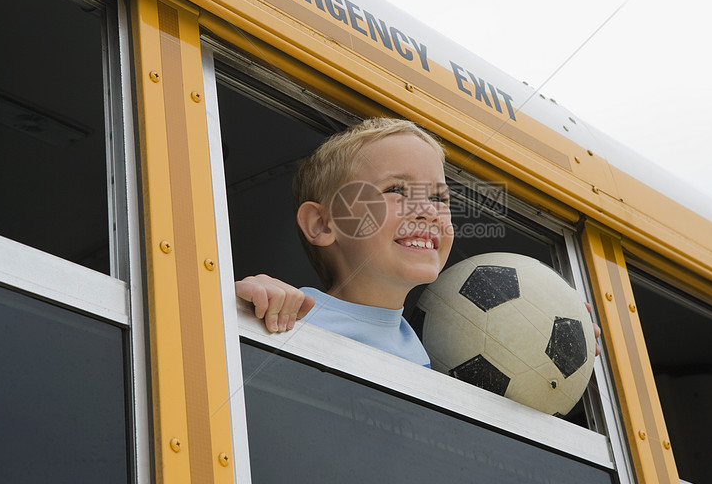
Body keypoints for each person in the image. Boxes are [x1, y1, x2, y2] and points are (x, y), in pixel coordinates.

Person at [235, 117, 600, 367]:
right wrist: (240, 298)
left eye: (439, 198)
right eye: (396, 190)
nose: (427, 210)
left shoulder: (441, 356)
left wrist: (552, 335)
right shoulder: (287, 314)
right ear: (323, 223)